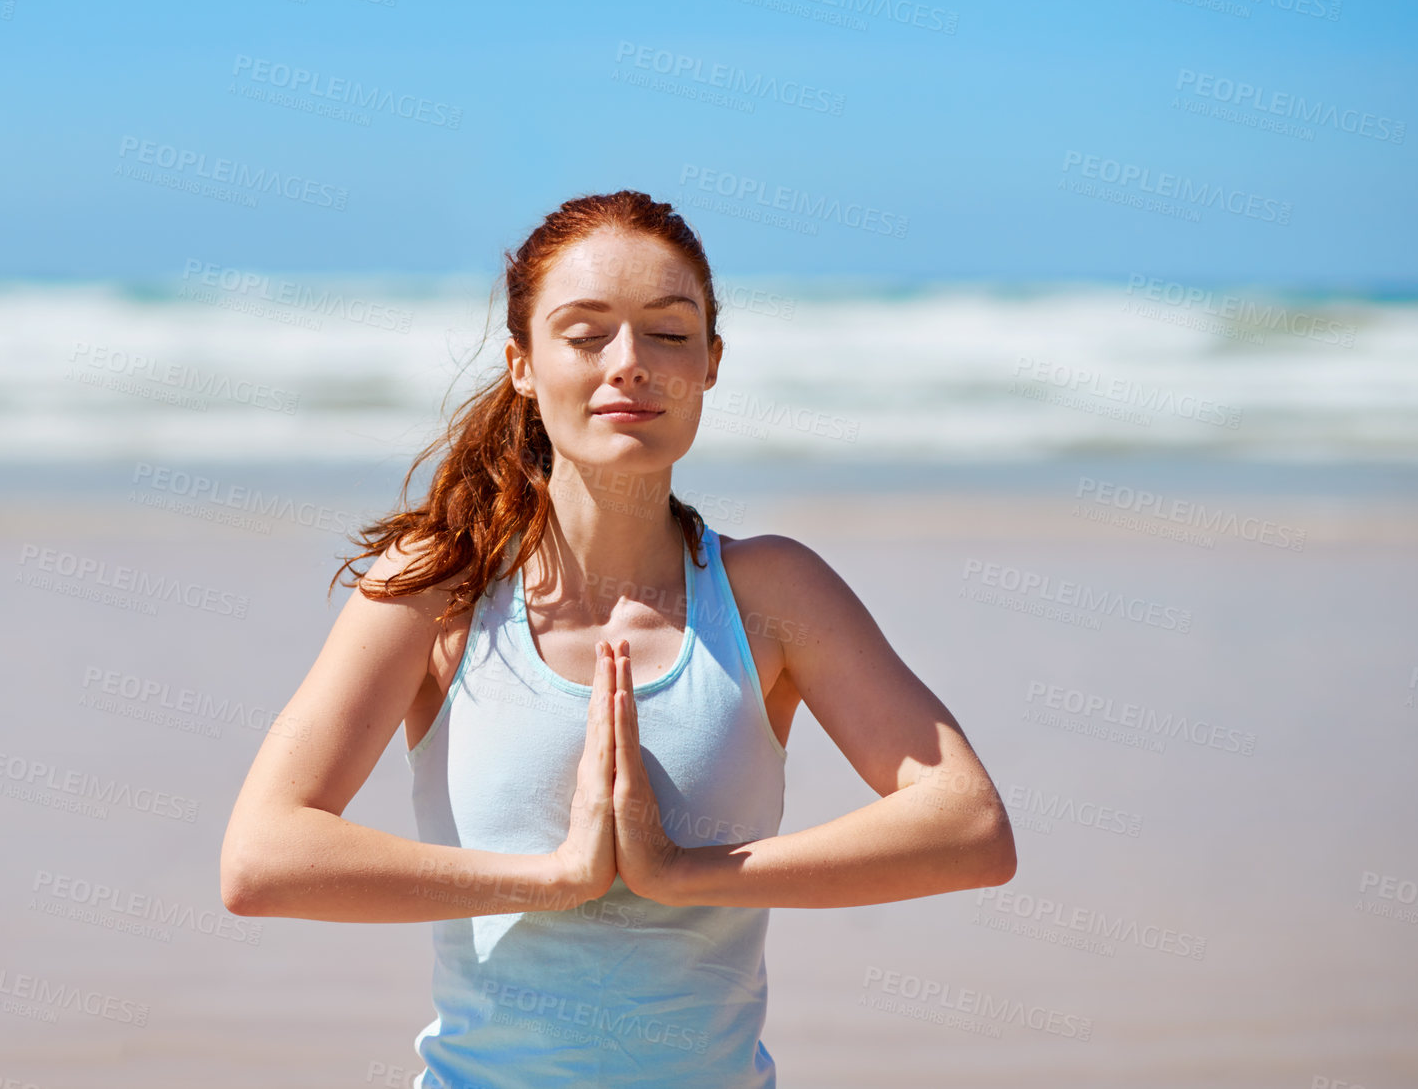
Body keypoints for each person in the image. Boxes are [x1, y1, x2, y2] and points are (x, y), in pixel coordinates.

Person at [219, 190, 1017, 1086]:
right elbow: (262, 855)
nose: (629, 363)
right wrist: (555, 876)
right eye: (586, 333)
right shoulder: (439, 588)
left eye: (669, 334)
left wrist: (684, 872)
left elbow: (971, 825)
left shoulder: (770, 594)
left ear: (711, 363)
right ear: (522, 363)